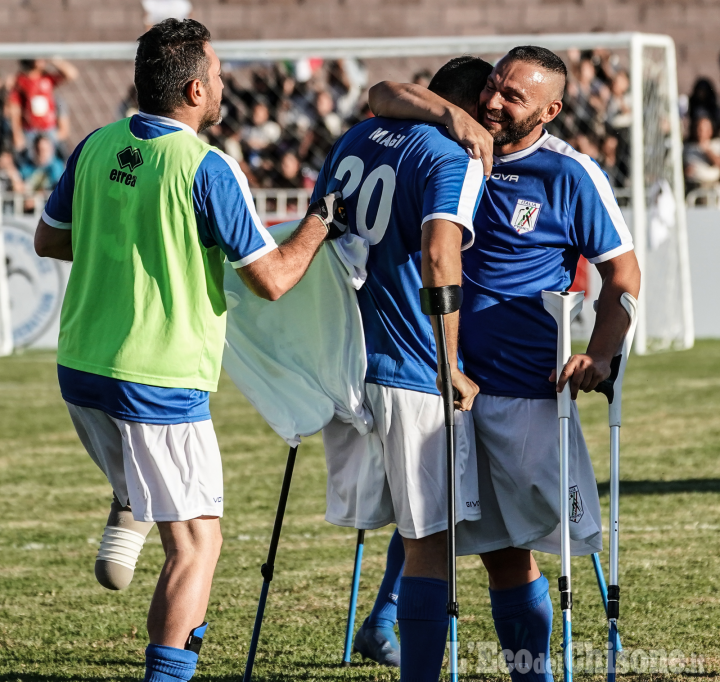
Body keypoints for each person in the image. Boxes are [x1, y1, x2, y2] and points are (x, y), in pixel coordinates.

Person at [33, 19, 346, 682]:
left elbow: (49, 240)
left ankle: (129, 506)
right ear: (197, 89)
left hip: (83, 368)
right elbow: (271, 280)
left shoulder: (95, 145)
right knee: (198, 542)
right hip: (159, 380)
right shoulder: (206, 166)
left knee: (162, 508)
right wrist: (320, 219)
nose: (227, 84)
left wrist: (134, 246)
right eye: (222, 73)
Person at [367, 45, 641, 681]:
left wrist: (600, 353)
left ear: (551, 109)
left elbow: (622, 275)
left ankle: (531, 674)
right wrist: (452, 118)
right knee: (435, 542)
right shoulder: (450, 147)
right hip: (436, 384)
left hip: (524, 394)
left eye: (513, 97)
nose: (492, 101)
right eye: (493, 86)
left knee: (511, 556)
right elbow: (382, 92)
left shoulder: (570, 175)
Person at [314, 56, 493, 680]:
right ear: (472, 108)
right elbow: (440, 252)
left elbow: (323, 232)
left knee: (419, 526)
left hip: (347, 364)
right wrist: (450, 364)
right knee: (433, 541)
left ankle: (382, 621)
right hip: (413, 364)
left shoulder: (356, 136)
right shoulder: (454, 154)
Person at [7, 58, 78, 152]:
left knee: (54, 161)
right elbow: (15, 108)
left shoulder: (46, 78)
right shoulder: (21, 80)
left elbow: (71, 74)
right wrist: (17, 134)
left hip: (49, 129)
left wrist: (54, 60)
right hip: (30, 130)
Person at [683, 114, 720, 193]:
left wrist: (707, 150)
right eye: (698, 128)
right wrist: (685, 171)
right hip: (692, 187)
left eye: (703, 129)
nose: (699, 132)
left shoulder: (716, 144)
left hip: (711, 187)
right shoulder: (688, 148)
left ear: (710, 130)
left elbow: (718, 163)